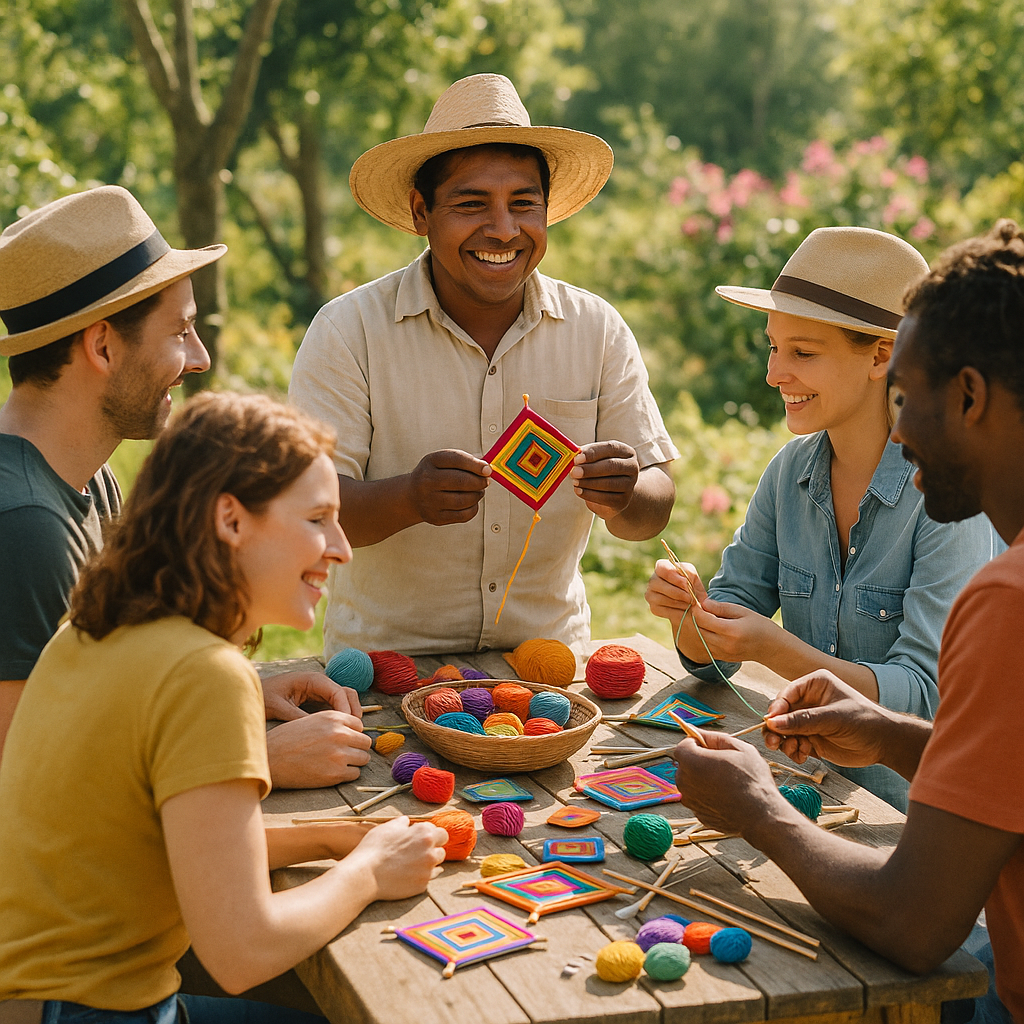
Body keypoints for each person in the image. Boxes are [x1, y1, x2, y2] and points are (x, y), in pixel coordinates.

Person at [0, 392, 449, 1024]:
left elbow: (164, 839)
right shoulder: (205, 674)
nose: (342, 548)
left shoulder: (102, 627)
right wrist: (369, 874)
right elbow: (243, 949)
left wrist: (339, 838)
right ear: (231, 521)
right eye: (318, 519)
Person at [671, 220, 1024, 1023]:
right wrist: (888, 732)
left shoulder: (1008, 598)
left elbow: (913, 922)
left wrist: (757, 810)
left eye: (909, 394)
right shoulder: (795, 473)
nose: (896, 431)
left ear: (967, 396)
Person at [290, 74, 678, 657]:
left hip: (549, 671)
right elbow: (311, 513)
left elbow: (653, 504)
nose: (503, 229)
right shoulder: (349, 332)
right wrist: (408, 498)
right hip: (385, 670)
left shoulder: (596, 330)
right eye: (471, 204)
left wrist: (626, 492)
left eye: (524, 203)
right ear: (422, 212)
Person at [0, 186, 370, 787]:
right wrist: (250, 761)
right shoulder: (23, 524)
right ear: (102, 345)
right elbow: (29, 777)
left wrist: (239, 694)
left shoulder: (86, 478)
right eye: (180, 332)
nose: (199, 357)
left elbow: (96, 701)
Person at [645, 226, 998, 809]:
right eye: (772, 346)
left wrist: (771, 647)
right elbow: (714, 657)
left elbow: (923, 698)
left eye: (802, 352)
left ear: (881, 356)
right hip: (809, 795)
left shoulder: (950, 498)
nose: (774, 373)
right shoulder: (791, 473)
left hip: (913, 823)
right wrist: (690, 612)